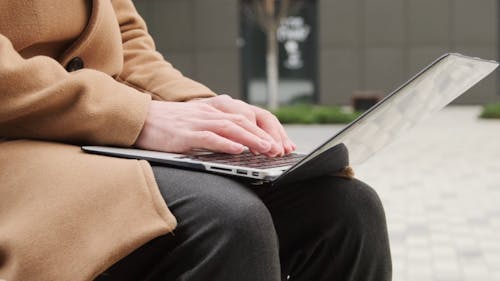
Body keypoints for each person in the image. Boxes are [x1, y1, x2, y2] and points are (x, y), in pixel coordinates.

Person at [0, 1, 392, 280]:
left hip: (88, 136)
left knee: (343, 207)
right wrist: (134, 115)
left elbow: (127, 41)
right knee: (227, 220)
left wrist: (203, 108)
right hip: (15, 142)